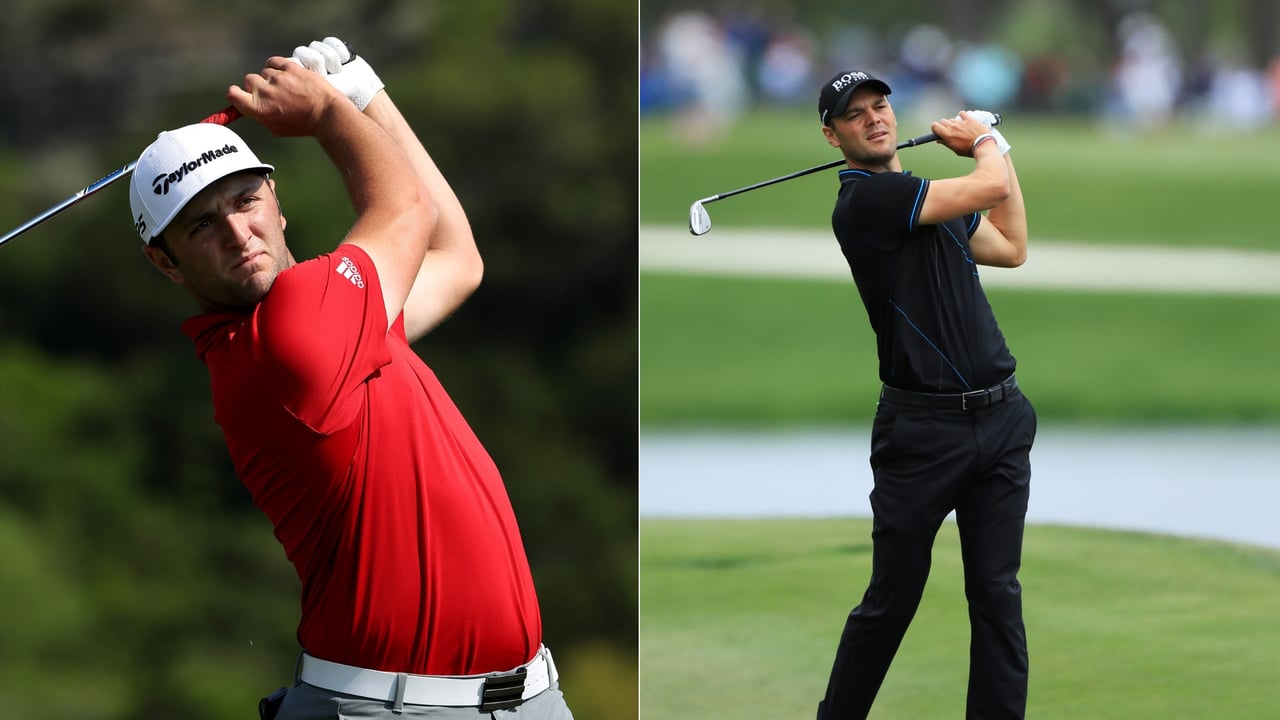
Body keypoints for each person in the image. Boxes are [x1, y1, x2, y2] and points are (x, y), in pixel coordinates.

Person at [127, 37, 574, 720]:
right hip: (390, 710)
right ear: (167, 264)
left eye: (246, 201)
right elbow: (406, 210)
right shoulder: (292, 332)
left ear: (276, 198)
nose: (239, 233)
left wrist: (368, 96)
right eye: (202, 226)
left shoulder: (342, 321)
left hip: (527, 700)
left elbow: (456, 258)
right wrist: (332, 113)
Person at [813, 69, 1035, 720]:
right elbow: (987, 184)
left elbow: (1013, 245)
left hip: (1002, 418)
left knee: (997, 594)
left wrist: (995, 150)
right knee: (893, 599)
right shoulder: (865, 203)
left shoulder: (923, 198)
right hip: (922, 434)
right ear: (832, 137)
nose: (875, 118)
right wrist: (985, 141)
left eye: (880, 106)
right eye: (855, 115)